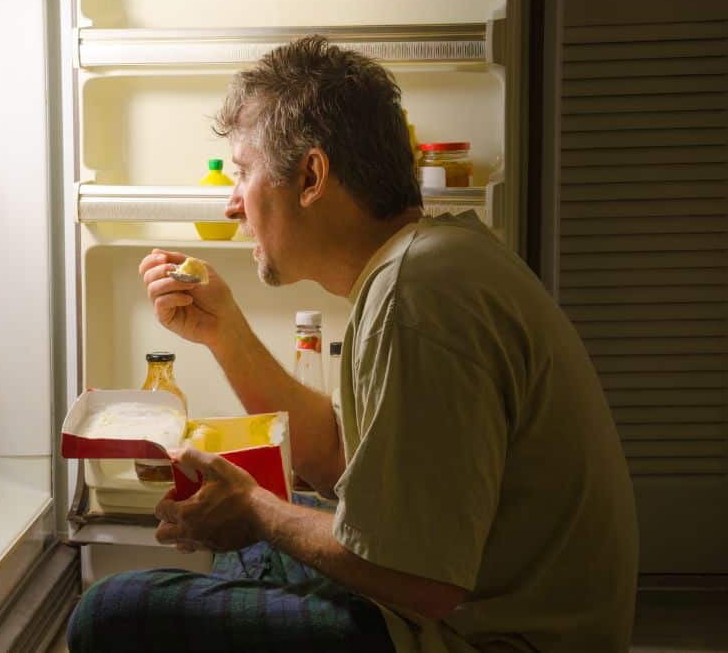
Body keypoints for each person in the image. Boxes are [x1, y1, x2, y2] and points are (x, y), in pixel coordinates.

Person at [67, 36, 638, 653]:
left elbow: (422, 582)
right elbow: (339, 456)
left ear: (311, 175)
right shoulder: (426, 263)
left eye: (244, 172)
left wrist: (256, 510)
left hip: (478, 636)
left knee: (110, 612)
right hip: (465, 604)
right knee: (263, 533)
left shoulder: (416, 293)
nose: (234, 204)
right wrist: (222, 331)